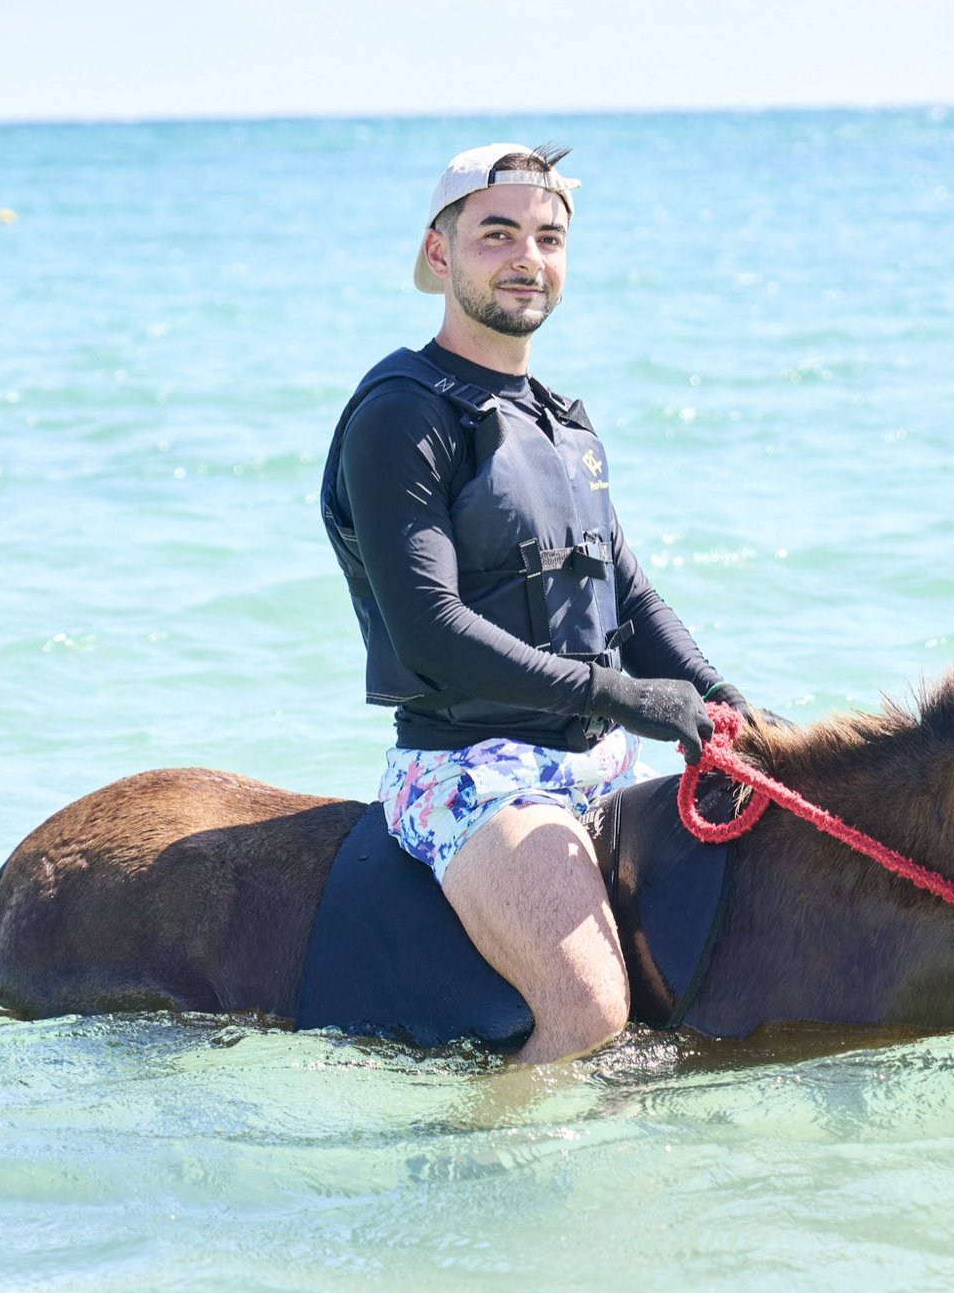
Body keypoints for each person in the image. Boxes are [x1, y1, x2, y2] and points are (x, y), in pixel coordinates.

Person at [319, 143, 748, 1065]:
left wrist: (724, 703)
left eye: (548, 237)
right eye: (497, 234)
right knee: (588, 1011)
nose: (527, 258)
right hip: (472, 771)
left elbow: (627, 594)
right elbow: (429, 632)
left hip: (601, 760)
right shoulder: (403, 412)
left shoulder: (563, 420)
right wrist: (626, 696)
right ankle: (480, 1183)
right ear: (441, 254)